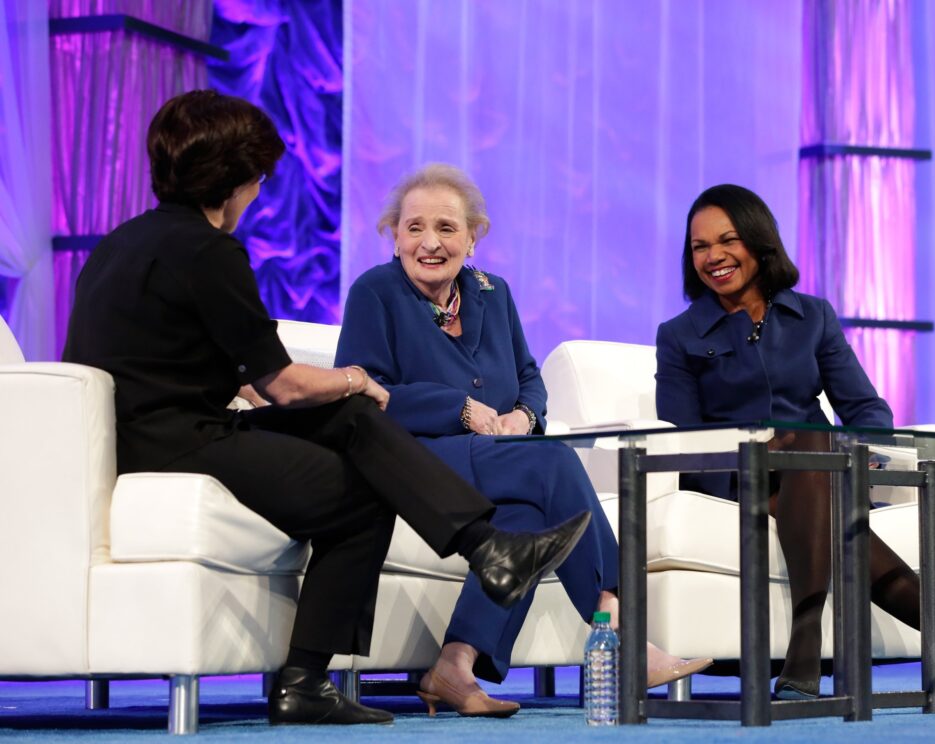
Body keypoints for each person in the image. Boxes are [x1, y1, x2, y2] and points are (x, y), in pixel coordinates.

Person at [62, 91, 592, 726]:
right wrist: (352, 379)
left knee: (352, 422)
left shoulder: (121, 243)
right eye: (257, 180)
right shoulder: (208, 252)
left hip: (162, 428)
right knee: (359, 490)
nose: (257, 194)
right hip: (178, 440)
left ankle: (489, 549)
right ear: (232, 179)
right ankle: (305, 680)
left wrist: (344, 396)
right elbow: (280, 385)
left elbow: (244, 375)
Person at [335, 163, 712, 718]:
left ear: (472, 237)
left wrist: (523, 416)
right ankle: (618, 622)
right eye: (413, 227)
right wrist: (458, 408)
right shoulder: (375, 292)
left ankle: (455, 665)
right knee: (551, 464)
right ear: (394, 236)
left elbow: (530, 377)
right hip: (411, 459)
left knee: (529, 512)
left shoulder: (492, 292)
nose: (429, 242)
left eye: (445, 227)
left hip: (493, 456)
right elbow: (365, 394)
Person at [655, 183, 935, 698]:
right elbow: (682, 436)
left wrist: (864, 449)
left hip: (817, 472)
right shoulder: (680, 335)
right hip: (737, 479)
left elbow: (867, 410)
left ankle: (806, 647)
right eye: (699, 247)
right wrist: (757, 453)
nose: (713, 256)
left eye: (727, 240)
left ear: (759, 243)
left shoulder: (813, 318)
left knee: (815, 445)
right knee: (821, 467)